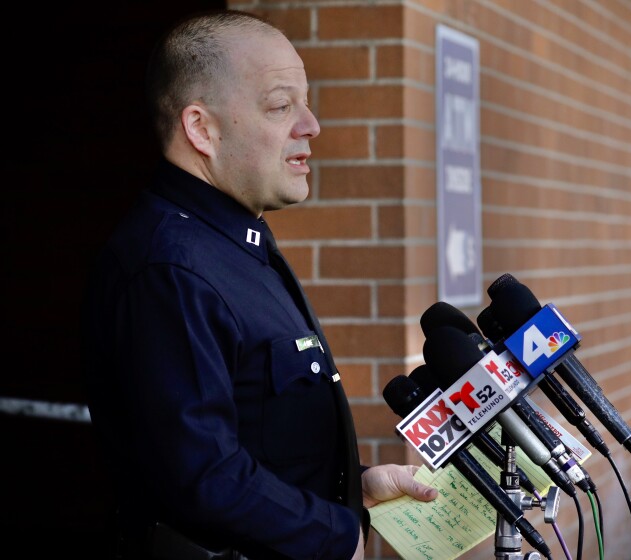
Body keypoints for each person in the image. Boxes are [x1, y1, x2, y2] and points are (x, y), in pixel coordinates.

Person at [81, 9, 437, 560]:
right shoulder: (170, 267)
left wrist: (353, 489)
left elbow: (257, 440)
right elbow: (202, 475)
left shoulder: (231, 243)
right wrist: (335, 534)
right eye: (280, 105)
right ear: (202, 129)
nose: (311, 126)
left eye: (307, 102)